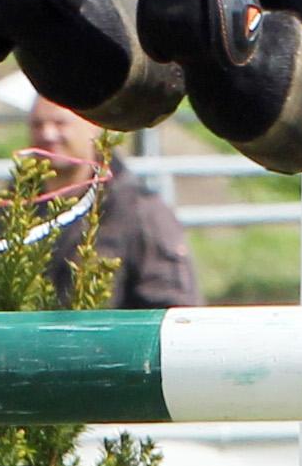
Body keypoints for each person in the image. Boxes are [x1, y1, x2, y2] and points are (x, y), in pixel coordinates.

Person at [24, 95, 200, 309]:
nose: (47, 134)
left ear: (93, 126)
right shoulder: (14, 211)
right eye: (37, 124)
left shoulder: (140, 212)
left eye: (60, 123)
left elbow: (175, 309)